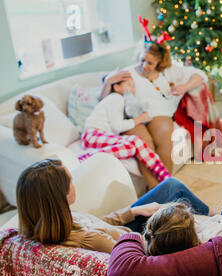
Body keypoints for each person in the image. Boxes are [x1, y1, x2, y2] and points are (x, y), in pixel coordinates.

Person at [15, 159, 211, 254]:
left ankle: (211, 214)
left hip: (122, 228)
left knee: (170, 185)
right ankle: (217, 218)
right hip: (138, 238)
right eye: (70, 180)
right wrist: (159, 228)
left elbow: (97, 222)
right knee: (177, 197)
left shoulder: (50, 221)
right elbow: (140, 254)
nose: (74, 184)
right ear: (60, 196)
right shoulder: (92, 240)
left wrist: (134, 211)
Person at [98, 37, 210, 181]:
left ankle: (166, 184)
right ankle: (156, 190)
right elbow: (103, 100)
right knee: (143, 145)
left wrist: (184, 87)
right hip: (132, 117)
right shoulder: (127, 73)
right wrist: (108, 81)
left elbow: (200, 75)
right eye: (142, 60)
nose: (144, 65)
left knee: (164, 137)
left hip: (159, 114)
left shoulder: (168, 71)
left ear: (159, 62)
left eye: (150, 63)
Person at [80, 77, 171, 186]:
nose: (132, 88)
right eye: (129, 84)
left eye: (133, 86)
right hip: (92, 135)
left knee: (132, 147)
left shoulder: (120, 101)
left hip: (96, 136)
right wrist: (140, 119)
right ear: (116, 87)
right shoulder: (116, 98)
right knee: (136, 141)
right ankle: (165, 177)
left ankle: (165, 178)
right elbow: (118, 126)